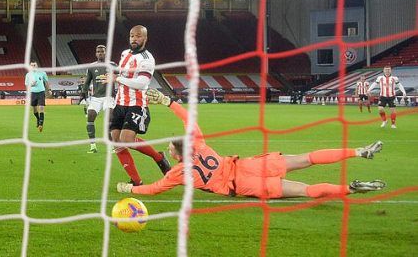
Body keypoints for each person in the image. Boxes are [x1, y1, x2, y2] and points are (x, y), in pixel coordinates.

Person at [117, 89, 386, 199]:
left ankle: (349, 188)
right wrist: (168, 102)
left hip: (244, 184)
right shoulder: (199, 145)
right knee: (307, 157)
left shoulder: (177, 173)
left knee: (304, 190)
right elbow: (190, 119)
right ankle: (359, 151)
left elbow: (153, 189)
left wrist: (129, 187)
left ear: (176, 154)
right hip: (249, 165)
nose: (167, 150)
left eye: (169, 149)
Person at [104, 25, 171, 186]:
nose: (134, 38)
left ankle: (159, 158)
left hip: (137, 104)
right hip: (119, 103)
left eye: (138, 36)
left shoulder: (147, 59)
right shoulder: (124, 54)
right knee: (115, 140)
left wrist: (117, 79)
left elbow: (142, 83)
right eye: (132, 35)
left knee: (126, 139)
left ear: (145, 38)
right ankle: (136, 181)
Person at [80, 45, 118, 153]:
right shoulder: (91, 66)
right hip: (96, 98)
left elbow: (121, 77)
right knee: (90, 119)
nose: (100, 53)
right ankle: (93, 146)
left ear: (106, 53)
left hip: (109, 97)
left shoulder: (112, 65)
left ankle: (111, 146)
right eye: (98, 51)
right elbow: (87, 81)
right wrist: (83, 93)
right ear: (96, 53)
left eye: (102, 51)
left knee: (109, 120)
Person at [24, 61, 51, 132]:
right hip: (33, 93)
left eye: (34, 65)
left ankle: (41, 124)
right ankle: (38, 119)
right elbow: (27, 85)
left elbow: (46, 82)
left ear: (37, 65)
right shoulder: (28, 75)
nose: (33, 66)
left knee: (41, 107)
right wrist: (31, 85)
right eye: (32, 65)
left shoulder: (42, 73)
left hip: (41, 92)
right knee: (34, 109)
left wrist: (49, 90)